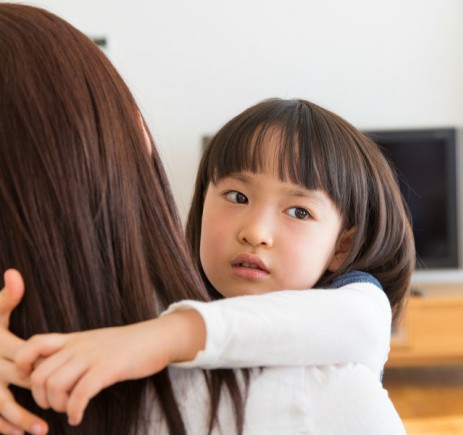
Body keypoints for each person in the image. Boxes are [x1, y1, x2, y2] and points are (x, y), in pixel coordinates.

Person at [0, 5, 414, 435]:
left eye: (298, 211)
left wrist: (161, 339)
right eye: (236, 196)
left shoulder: (353, 311)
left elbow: (360, 320)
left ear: (342, 247)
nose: (254, 231)